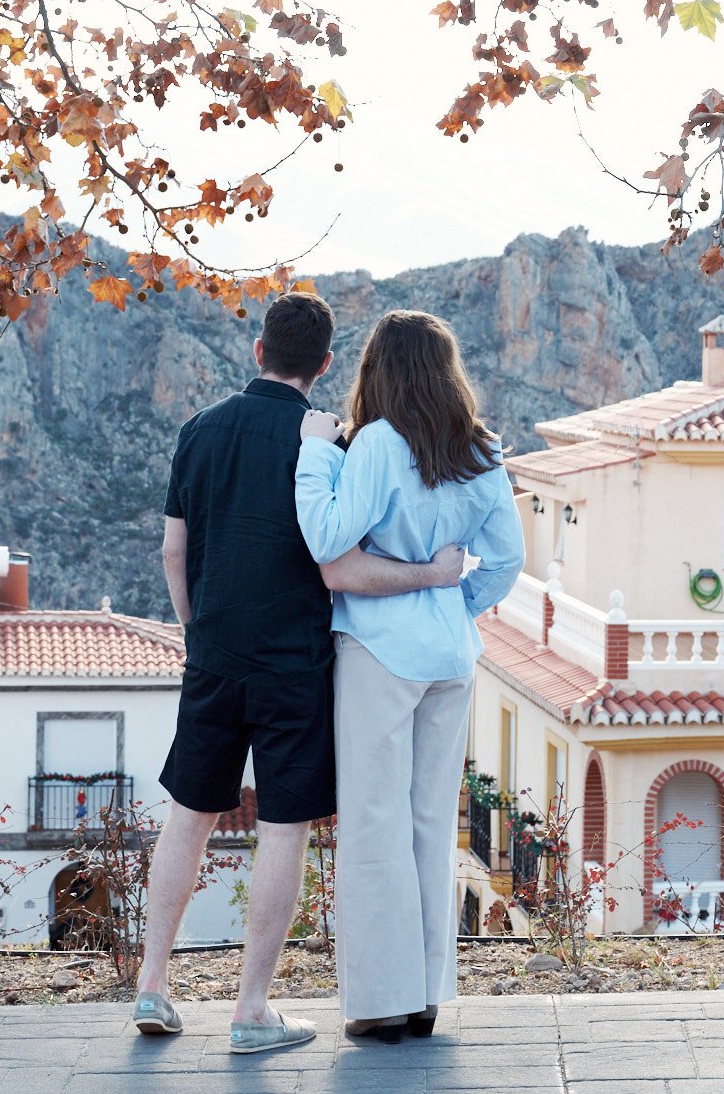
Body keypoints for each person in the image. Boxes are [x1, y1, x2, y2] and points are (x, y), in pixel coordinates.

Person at [133, 291, 466, 1056]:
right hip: (296, 668)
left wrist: (197, 628)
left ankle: (153, 983)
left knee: (188, 814)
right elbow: (344, 565)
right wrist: (429, 573)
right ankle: (251, 1009)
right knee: (282, 829)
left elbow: (172, 553)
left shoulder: (200, 431)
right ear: (323, 364)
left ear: (257, 351)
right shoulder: (335, 446)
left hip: (214, 657)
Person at [295, 309, 524, 1043]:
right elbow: (507, 561)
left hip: (379, 651)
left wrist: (317, 456)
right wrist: (451, 602)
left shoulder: (376, 445)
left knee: (373, 820)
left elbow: (328, 538)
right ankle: (426, 995)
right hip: (451, 657)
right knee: (433, 823)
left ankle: (378, 1003)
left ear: (379, 370)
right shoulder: (481, 450)